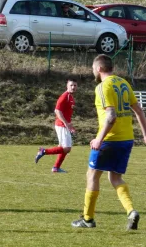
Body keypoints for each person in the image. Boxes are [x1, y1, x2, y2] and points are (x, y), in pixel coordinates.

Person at [72, 54, 146, 230]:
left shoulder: (102, 87)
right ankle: (131, 211)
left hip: (110, 140)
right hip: (127, 139)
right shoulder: (124, 83)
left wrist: (99, 139)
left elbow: (111, 116)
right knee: (115, 177)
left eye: (92, 68)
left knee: (92, 175)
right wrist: (145, 134)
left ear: (98, 68)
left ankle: (88, 219)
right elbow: (139, 111)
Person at [35, 79, 78, 173]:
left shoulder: (71, 97)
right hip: (61, 125)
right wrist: (66, 124)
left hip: (65, 125)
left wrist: (70, 126)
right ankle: (43, 151)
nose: (73, 87)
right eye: (71, 85)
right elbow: (57, 111)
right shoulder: (64, 96)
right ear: (67, 86)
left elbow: (67, 113)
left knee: (63, 148)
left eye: (75, 85)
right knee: (66, 148)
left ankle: (56, 168)